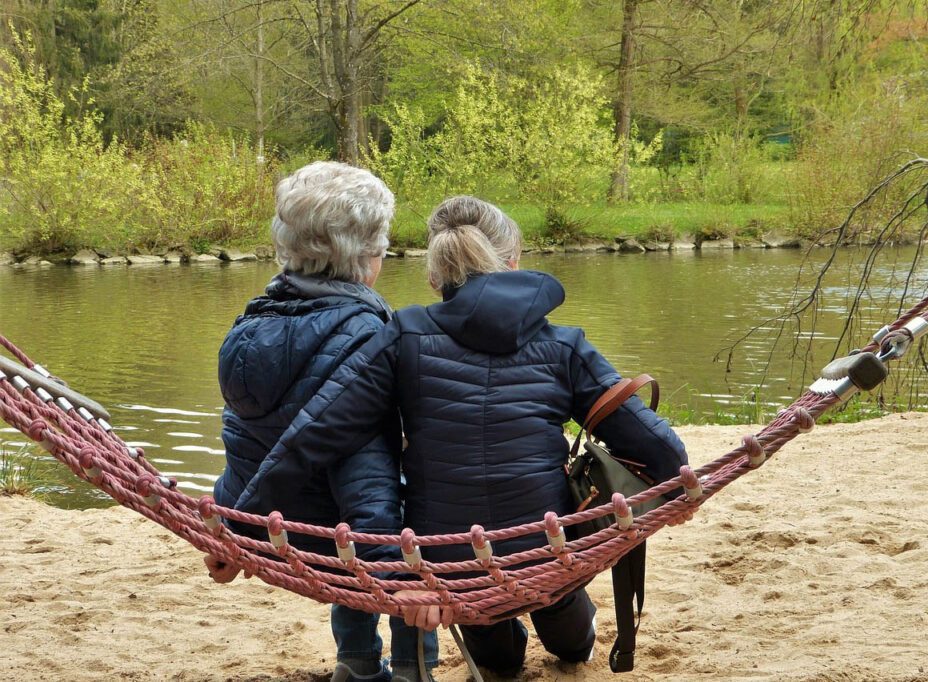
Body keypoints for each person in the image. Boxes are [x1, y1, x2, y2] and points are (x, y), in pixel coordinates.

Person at [236, 195, 688, 674]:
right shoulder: (564, 345)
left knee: (498, 660)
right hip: (547, 546)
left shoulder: (402, 335)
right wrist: (679, 487)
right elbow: (654, 443)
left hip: (450, 563)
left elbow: (319, 433)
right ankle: (565, 623)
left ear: (435, 277)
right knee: (568, 630)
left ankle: (505, 636)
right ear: (513, 262)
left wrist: (241, 524)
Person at [206, 161, 437, 682]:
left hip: (276, 529)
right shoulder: (371, 336)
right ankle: (410, 667)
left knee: (350, 516)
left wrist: (231, 525)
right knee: (412, 516)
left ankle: (354, 661)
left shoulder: (249, 326)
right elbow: (368, 473)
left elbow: (244, 441)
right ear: (368, 258)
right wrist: (397, 578)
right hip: (347, 541)